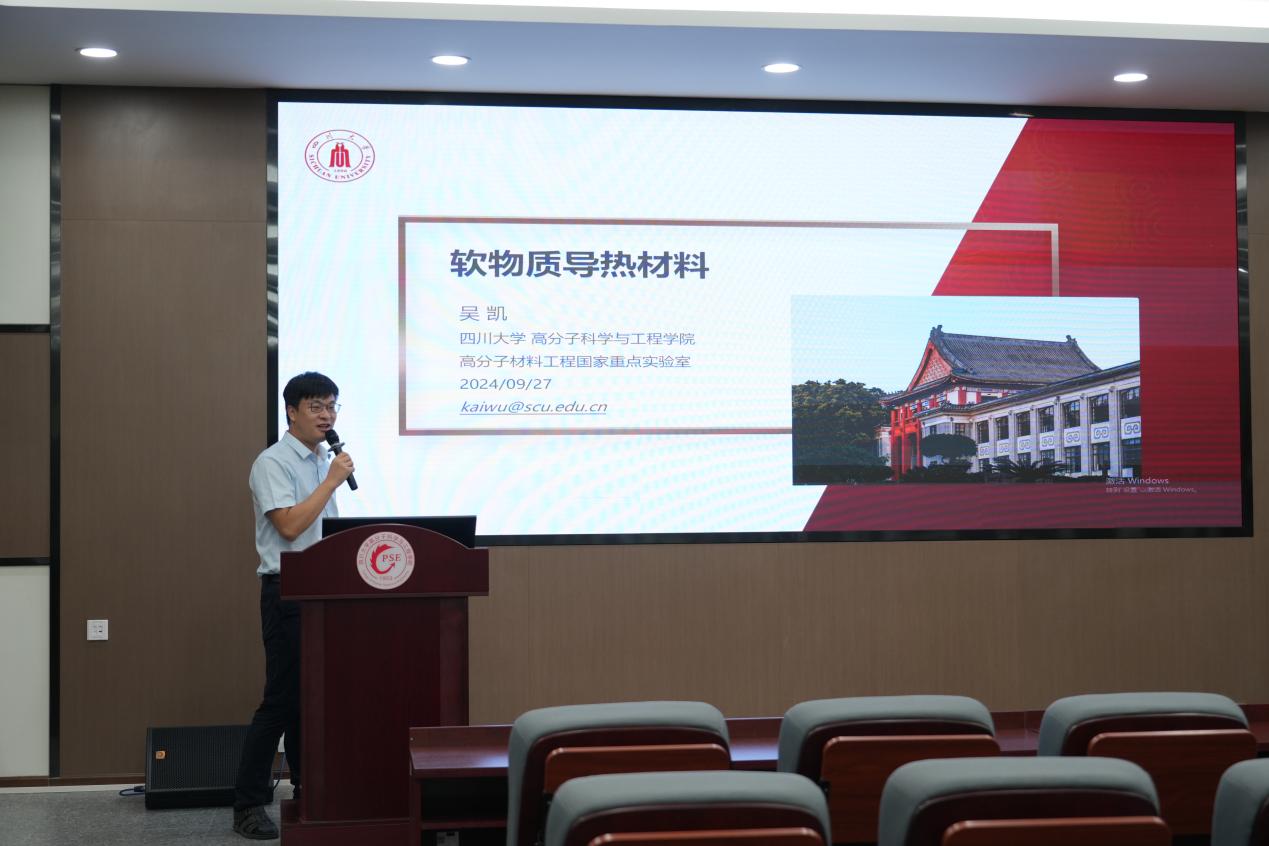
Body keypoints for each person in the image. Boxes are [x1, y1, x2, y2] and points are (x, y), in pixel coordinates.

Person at [232, 372, 354, 840]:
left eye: (332, 406)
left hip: (324, 591)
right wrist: (331, 482)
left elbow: (326, 535)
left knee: (312, 700)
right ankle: (247, 804)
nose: (327, 415)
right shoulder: (273, 463)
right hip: (287, 591)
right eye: (317, 407)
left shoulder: (324, 460)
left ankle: (308, 792)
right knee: (281, 702)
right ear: (291, 411)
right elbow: (289, 526)